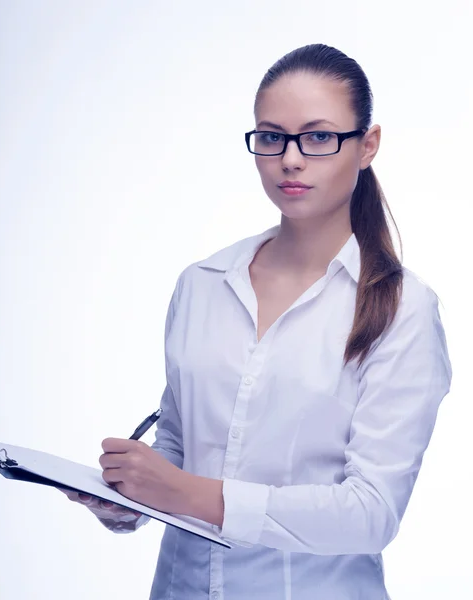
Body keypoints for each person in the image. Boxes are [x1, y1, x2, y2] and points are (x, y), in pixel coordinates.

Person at [61, 43, 452, 600]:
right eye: (271, 137)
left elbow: (370, 513)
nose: (290, 159)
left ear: (367, 145)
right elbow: (178, 442)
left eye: (318, 137)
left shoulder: (403, 308)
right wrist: (128, 497)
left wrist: (184, 491)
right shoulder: (202, 283)